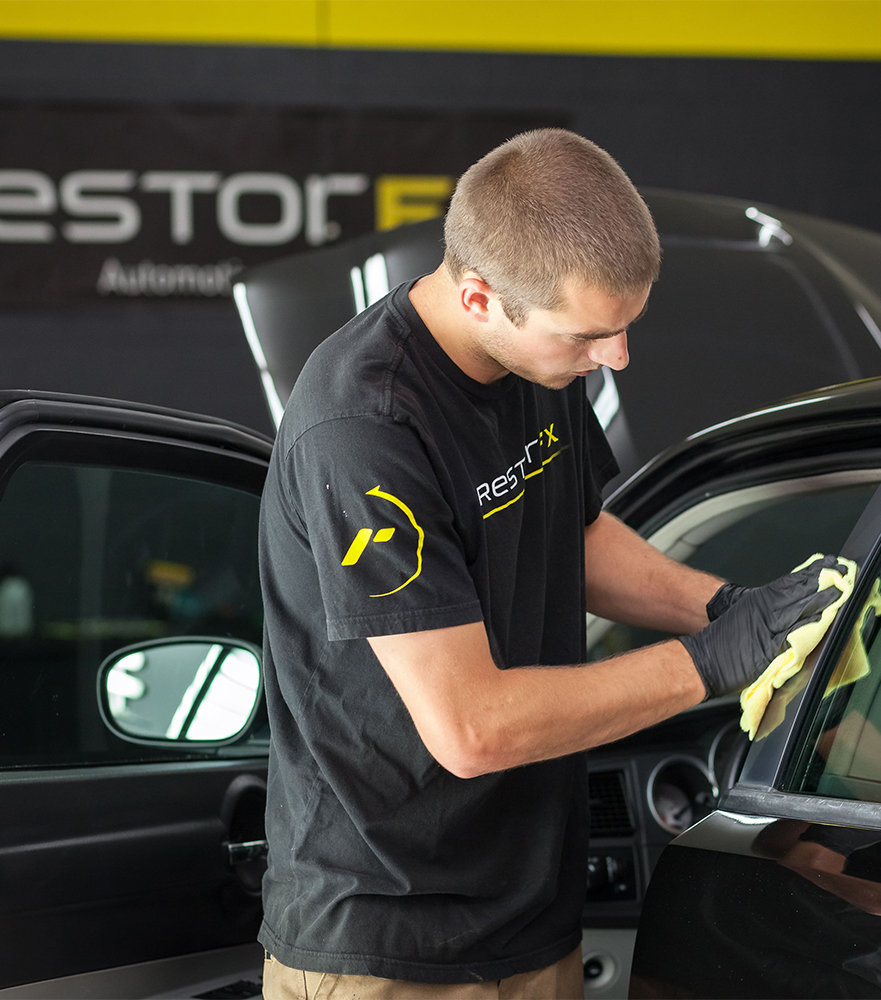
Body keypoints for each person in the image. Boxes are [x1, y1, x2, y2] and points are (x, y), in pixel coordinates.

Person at [257, 128, 847, 999]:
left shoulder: (541, 365)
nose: (615, 358)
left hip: (532, 911)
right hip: (385, 934)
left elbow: (572, 536)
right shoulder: (365, 426)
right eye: (589, 336)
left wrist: (730, 608)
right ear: (481, 297)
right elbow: (471, 727)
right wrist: (713, 662)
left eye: (623, 329)